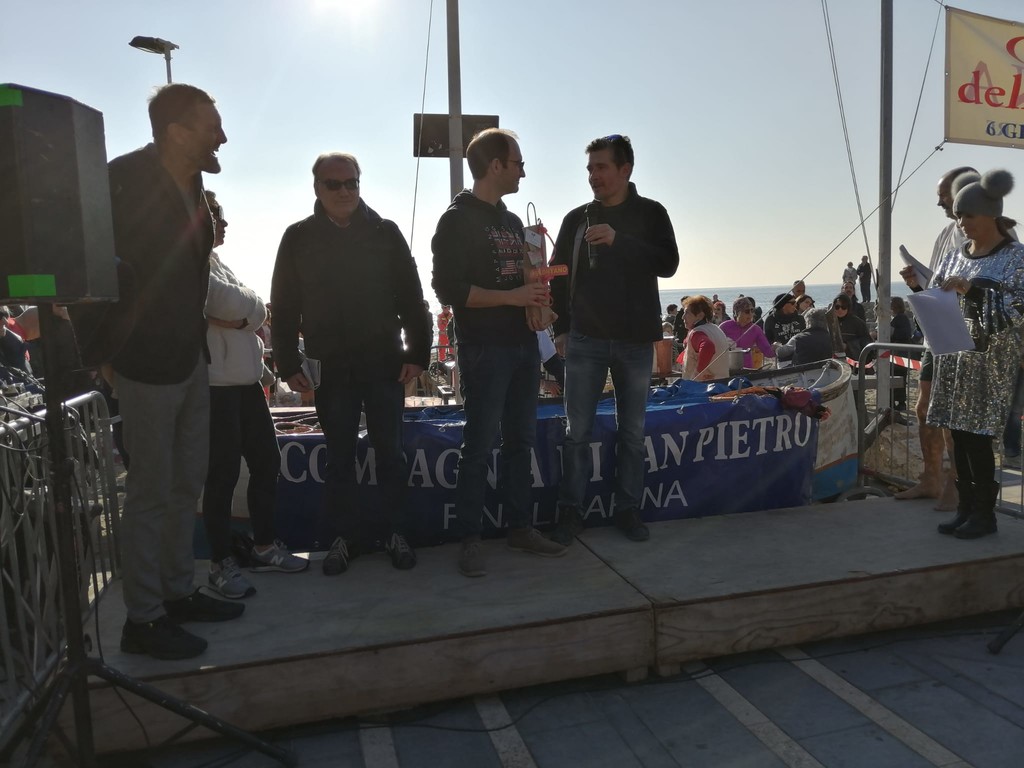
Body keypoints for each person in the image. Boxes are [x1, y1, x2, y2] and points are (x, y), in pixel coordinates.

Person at [104, 84, 241, 661]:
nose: (222, 138)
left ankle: (177, 593)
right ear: (177, 132)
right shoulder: (123, 180)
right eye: (212, 127)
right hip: (142, 363)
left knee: (186, 485)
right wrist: (104, 356)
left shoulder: (195, 185)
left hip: (189, 360)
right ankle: (144, 619)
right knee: (150, 493)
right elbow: (94, 271)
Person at [271, 152, 431, 574]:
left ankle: (396, 533)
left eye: (351, 183)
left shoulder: (386, 232)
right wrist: (288, 362)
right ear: (316, 187)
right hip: (331, 369)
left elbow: (412, 297)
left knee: (390, 453)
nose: (344, 191)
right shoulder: (297, 237)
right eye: (334, 184)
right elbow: (283, 307)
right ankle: (344, 538)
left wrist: (418, 354)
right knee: (339, 457)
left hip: (383, 363)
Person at [431, 128, 566, 577]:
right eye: (517, 163)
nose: (523, 171)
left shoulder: (510, 221)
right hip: (484, 349)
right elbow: (448, 290)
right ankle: (469, 538)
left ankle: (520, 528)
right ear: (495, 166)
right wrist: (513, 297)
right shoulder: (456, 220)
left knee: (520, 443)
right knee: (478, 445)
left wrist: (538, 302)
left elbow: (522, 279)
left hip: (523, 346)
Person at [548, 134, 679, 546]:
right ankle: (570, 511)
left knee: (632, 433)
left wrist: (620, 241)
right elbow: (557, 275)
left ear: (625, 169)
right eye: (590, 168)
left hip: (635, 341)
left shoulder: (651, 213)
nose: (593, 176)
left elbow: (668, 264)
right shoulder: (576, 219)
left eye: (601, 167)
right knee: (576, 432)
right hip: (584, 340)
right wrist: (560, 329)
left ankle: (627, 509)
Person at [201, 191, 308, 600]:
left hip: (246, 386)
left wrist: (242, 315)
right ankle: (219, 562)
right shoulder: (191, 264)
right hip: (215, 387)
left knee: (267, 462)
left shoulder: (218, 264)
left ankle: (263, 546)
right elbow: (232, 302)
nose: (224, 222)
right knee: (222, 476)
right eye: (216, 214)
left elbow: (253, 308)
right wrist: (247, 312)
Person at [921, 169, 1024, 539]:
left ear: (991, 214)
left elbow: (1018, 309)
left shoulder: (1015, 258)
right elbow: (937, 296)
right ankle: (965, 508)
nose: (961, 222)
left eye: (968, 215)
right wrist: (923, 293)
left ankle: (985, 514)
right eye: (959, 215)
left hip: (990, 364)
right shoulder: (954, 256)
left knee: (979, 438)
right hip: (954, 360)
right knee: (959, 436)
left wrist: (974, 291)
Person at [896, 166, 976, 506]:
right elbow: (934, 284)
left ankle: (956, 484)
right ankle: (930, 478)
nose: (940, 203)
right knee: (924, 408)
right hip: (936, 334)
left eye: (944, 196)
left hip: (963, 336)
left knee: (952, 415)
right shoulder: (945, 235)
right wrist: (916, 284)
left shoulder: (993, 236)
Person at [679, 295, 731, 381]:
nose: (683, 317)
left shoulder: (697, 333)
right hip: (723, 384)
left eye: (687, 313)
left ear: (700, 315)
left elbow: (708, 347)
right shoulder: (715, 329)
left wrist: (698, 374)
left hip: (702, 387)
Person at [720, 296, 774, 369]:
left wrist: (776, 349)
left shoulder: (756, 329)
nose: (751, 314)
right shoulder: (725, 326)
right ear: (737, 312)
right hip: (727, 368)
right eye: (747, 311)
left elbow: (767, 352)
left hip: (747, 369)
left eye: (752, 310)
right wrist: (723, 344)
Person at [889, 296, 913, 410]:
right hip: (903, 352)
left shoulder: (898, 319)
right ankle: (900, 402)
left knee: (895, 376)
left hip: (898, 352)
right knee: (901, 377)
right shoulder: (903, 318)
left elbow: (890, 333)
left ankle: (895, 401)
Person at [832, 293, 871, 361]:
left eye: (844, 307)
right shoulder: (829, 322)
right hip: (833, 360)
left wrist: (848, 345)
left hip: (853, 361)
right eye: (837, 307)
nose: (840, 309)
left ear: (848, 307)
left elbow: (866, 341)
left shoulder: (858, 323)